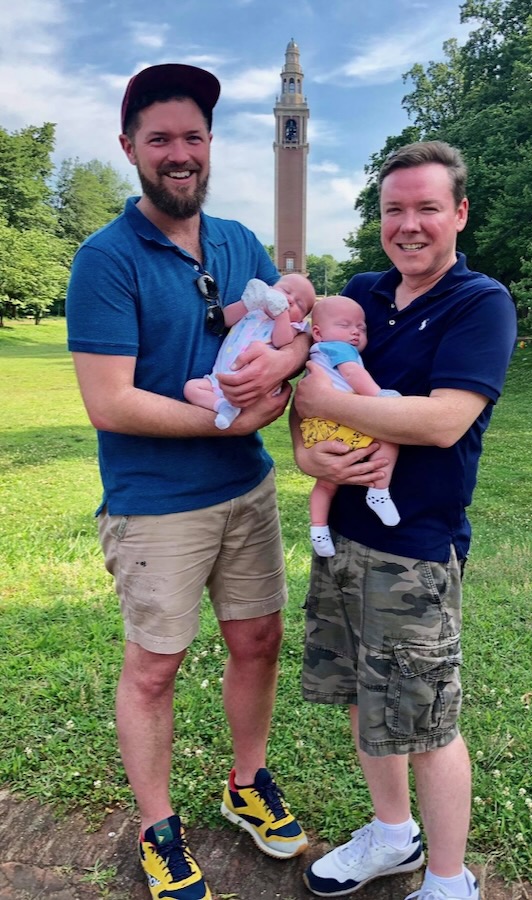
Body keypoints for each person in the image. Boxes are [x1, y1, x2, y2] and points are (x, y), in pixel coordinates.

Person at [66, 63, 310, 900]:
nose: (180, 154)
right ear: (131, 146)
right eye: (161, 138)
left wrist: (279, 370)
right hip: (156, 506)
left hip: (244, 491)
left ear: (211, 147)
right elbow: (109, 400)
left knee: (257, 642)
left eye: (193, 138)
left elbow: (291, 334)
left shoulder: (239, 241)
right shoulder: (105, 259)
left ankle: (247, 784)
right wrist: (232, 418)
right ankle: (157, 828)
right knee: (155, 670)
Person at [291, 141, 517, 900]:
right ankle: (393, 837)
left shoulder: (480, 303)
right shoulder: (361, 295)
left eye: (427, 207)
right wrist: (307, 453)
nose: (409, 225)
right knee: (365, 698)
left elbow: (446, 420)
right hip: (345, 538)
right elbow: (305, 394)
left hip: (416, 550)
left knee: (427, 725)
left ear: (458, 213)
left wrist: (326, 405)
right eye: (395, 209)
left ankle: (450, 884)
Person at [299, 294, 400, 557]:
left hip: (317, 427)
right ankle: (379, 491)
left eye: (361, 327)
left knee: (326, 482)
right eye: (345, 325)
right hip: (341, 422)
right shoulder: (340, 349)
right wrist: (379, 397)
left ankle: (318, 529)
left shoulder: (317, 351)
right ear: (318, 333)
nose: (355, 331)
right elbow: (355, 375)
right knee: (389, 439)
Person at [184, 274, 315, 429]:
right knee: (191, 388)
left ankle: (232, 408)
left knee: (251, 401)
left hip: (251, 385)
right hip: (219, 380)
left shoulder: (291, 326)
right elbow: (226, 319)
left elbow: (282, 341)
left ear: (302, 318)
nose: (290, 300)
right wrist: (247, 303)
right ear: (270, 289)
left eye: (299, 305)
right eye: (285, 291)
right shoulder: (253, 311)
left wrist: (281, 315)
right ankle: (222, 407)